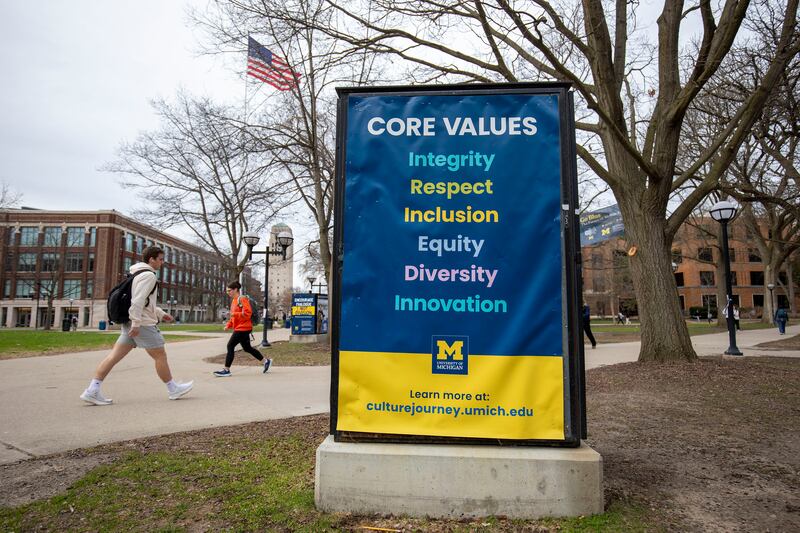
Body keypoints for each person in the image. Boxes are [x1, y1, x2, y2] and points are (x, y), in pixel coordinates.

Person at [80, 246, 193, 406]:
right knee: (160, 355)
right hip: (142, 324)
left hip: (132, 323)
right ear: (151, 259)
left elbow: (145, 301)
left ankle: (92, 390)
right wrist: (136, 323)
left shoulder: (136, 273)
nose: (162, 262)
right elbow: (138, 300)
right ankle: (173, 389)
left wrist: (160, 314)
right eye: (160, 259)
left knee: (113, 357)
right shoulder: (148, 276)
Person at [213, 281, 272, 377]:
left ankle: (226, 369)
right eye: (227, 291)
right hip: (241, 327)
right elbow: (234, 317)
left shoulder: (242, 299)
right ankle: (266, 361)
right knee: (247, 348)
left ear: (235, 289)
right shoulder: (234, 301)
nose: (228, 292)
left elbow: (247, 314)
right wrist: (228, 325)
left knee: (230, 346)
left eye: (229, 290)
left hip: (243, 328)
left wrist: (234, 314)